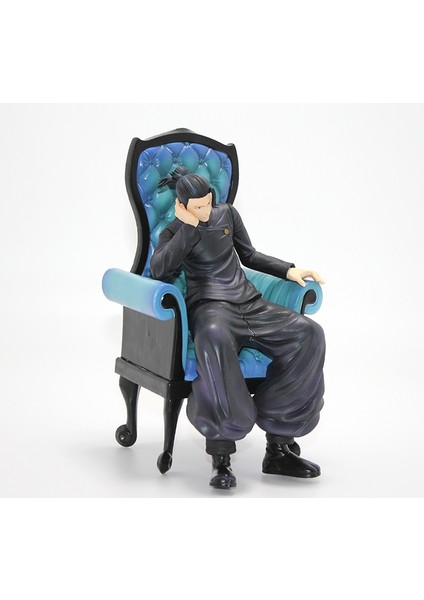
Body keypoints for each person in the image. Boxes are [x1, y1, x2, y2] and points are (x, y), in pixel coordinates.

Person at [150, 167, 326, 489]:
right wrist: (187, 228)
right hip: (210, 307)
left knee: (308, 334)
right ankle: (221, 457)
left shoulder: (227, 214)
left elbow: (249, 255)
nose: (205, 210)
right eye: (197, 207)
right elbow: (160, 269)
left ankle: (278, 447)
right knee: (213, 340)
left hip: (249, 302)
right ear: (183, 206)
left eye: (208, 203)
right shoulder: (174, 232)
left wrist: (288, 270)